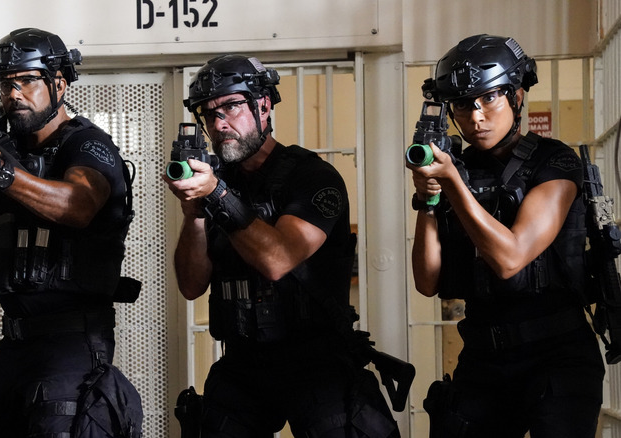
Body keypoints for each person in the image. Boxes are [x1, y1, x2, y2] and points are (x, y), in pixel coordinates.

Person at [164, 54, 399, 438]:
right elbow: (191, 286)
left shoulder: (312, 176)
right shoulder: (216, 182)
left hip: (316, 360)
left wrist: (216, 194)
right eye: (209, 114)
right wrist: (194, 215)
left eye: (231, 106)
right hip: (243, 361)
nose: (220, 123)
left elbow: (278, 260)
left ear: (264, 105)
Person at [0, 28, 142, 438]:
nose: (13, 93)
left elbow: (79, 206)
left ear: (59, 82)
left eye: (27, 80)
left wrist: (0, 172)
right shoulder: (7, 146)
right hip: (14, 343)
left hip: (72, 345)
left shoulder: (88, 144)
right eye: (4, 82)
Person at [408, 34, 605, 437]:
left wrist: (450, 184)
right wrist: (427, 201)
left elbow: (510, 258)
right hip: (484, 355)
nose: (476, 116)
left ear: (516, 97)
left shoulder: (556, 162)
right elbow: (427, 283)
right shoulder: (457, 168)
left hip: (557, 356)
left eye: (489, 98)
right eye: (463, 104)